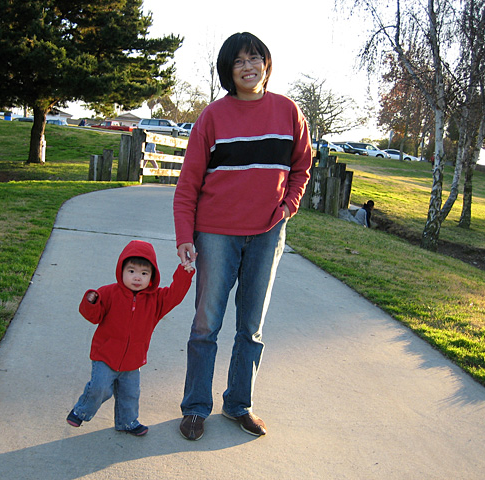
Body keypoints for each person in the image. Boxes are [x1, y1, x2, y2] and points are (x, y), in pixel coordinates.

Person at [173, 32, 312, 440]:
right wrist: (186, 235)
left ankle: (239, 405)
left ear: (266, 63)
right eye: (239, 62)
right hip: (215, 233)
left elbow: (303, 167)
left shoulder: (288, 111)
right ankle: (196, 407)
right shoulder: (212, 117)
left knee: (251, 326)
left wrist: (288, 207)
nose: (248, 67)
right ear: (227, 70)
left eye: (255, 58)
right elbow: (187, 185)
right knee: (205, 325)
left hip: (268, 234)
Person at [66, 240, 194, 436]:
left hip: (133, 359)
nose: (137, 277)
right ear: (121, 271)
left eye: (144, 273)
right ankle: (81, 411)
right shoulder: (108, 293)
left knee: (130, 395)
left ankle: (127, 422)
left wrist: (184, 274)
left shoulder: (156, 300)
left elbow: (175, 295)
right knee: (100, 388)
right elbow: (93, 316)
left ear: (152, 276)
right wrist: (91, 301)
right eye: (131, 271)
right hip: (105, 355)